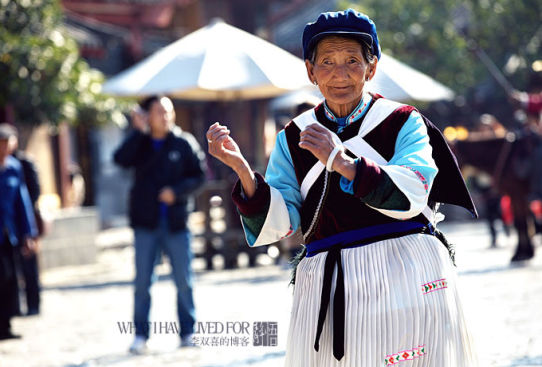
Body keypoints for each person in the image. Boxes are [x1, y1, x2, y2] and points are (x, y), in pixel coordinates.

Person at [207, 9, 478, 366]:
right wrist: (244, 172)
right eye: (327, 62)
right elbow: (283, 222)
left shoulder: (402, 121)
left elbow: (414, 190)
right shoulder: (294, 136)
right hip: (329, 286)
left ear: (372, 68)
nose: (340, 74)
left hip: (407, 272)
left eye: (352, 60)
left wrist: (343, 162)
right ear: (310, 71)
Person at [113, 96, 205, 354]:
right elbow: (119, 159)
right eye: (158, 111)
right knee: (142, 281)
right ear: (148, 116)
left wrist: (176, 192)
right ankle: (141, 335)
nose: (164, 116)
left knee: (184, 280)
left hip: (176, 222)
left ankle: (188, 332)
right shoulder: (140, 143)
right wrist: (137, 132)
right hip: (145, 223)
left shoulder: (184, 142)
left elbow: (199, 176)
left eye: (168, 111)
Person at [0, 123, 37, 341]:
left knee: (9, 280)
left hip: (9, 233)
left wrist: (28, 233)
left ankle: (3, 327)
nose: (2, 149)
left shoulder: (14, 167)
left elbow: (22, 201)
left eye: (6, 144)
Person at [8, 132, 43, 317]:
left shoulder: (24, 162)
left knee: (30, 267)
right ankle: (14, 308)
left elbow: (35, 192)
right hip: (7, 225)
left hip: (26, 221)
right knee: (11, 270)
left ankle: (34, 305)